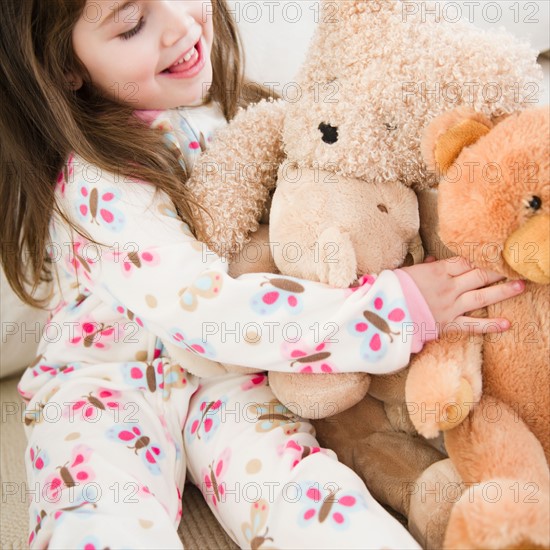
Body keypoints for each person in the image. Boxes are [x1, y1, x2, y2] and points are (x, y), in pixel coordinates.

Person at [0, 1, 525, 549]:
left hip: (230, 377)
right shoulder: (94, 184)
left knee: (312, 498)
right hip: (109, 385)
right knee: (100, 514)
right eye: (132, 24)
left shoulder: (235, 118)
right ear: (66, 67)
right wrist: (391, 311)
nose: (180, 24)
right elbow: (203, 310)